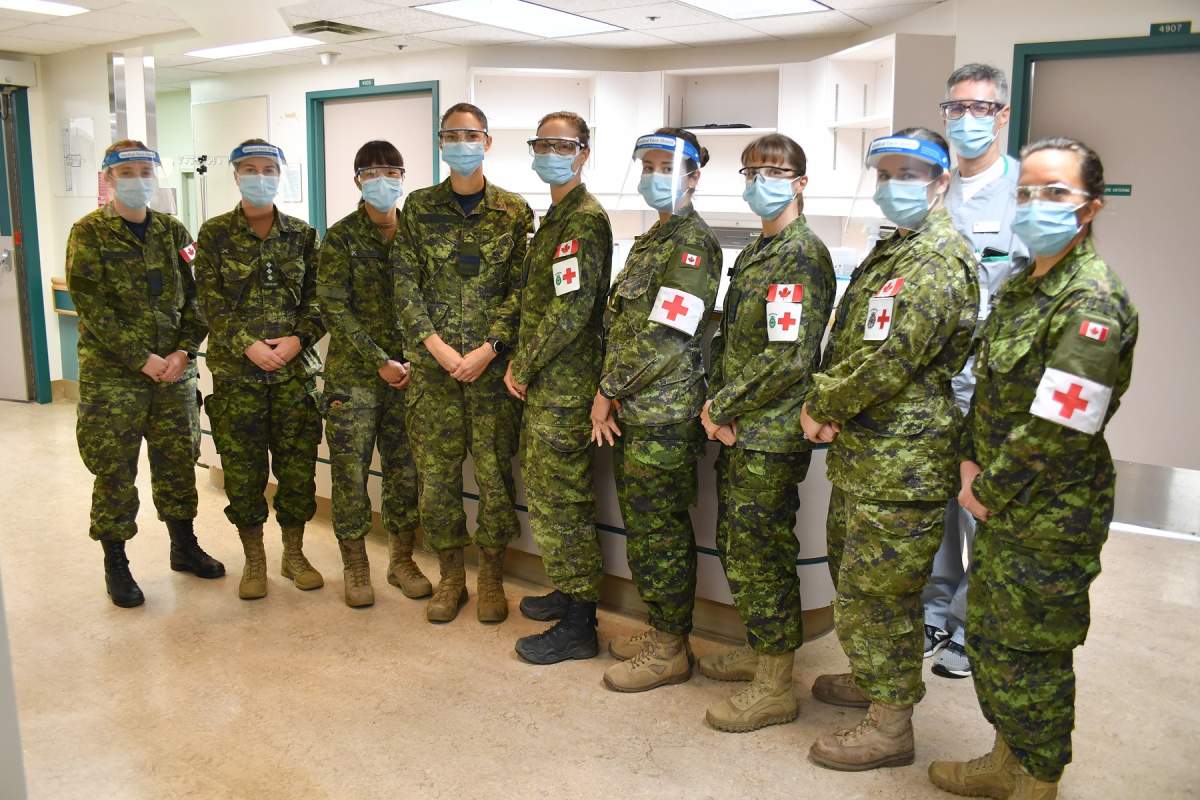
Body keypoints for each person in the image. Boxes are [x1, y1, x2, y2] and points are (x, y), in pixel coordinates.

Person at [930, 138, 1137, 800]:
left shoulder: (1091, 301)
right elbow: (984, 385)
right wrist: (966, 457)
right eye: (1026, 192)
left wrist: (986, 488)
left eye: (1056, 193)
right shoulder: (1023, 285)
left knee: (1034, 653)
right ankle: (1004, 757)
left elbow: (1062, 422)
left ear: (1090, 208)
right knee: (992, 640)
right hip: (999, 497)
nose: (1035, 204)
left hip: (1051, 512)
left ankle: (1037, 780)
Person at [799, 129, 978, 770]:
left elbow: (891, 358)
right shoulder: (899, 247)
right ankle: (875, 678)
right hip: (868, 449)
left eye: (908, 174)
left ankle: (890, 722)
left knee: (883, 592)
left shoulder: (935, 258)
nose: (892, 186)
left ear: (940, 183)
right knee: (857, 581)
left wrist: (824, 405)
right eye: (885, 174)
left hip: (902, 456)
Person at [697, 134, 835, 731]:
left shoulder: (801, 255)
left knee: (762, 551)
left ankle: (777, 682)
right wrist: (721, 406)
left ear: (800, 182)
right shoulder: (760, 248)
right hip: (740, 428)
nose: (759, 181)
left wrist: (720, 405)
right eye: (750, 170)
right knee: (740, 546)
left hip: (770, 435)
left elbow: (788, 358)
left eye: (774, 171)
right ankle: (760, 647)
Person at [66, 140, 223, 607]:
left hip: (174, 374)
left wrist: (181, 350)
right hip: (114, 378)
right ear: (109, 180)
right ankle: (117, 561)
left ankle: (184, 546)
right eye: (127, 173)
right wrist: (141, 358)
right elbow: (92, 306)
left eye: (145, 171)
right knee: (114, 470)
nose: (138, 181)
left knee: (177, 461)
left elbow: (198, 299)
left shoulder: (173, 231)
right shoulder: (89, 232)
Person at [394, 103, 534, 624]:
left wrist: (489, 349)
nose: (461, 143)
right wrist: (438, 348)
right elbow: (405, 286)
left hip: (491, 372)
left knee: (497, 476)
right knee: (437, 477)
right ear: (440, 143)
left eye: (471, 135)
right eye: (451, 135)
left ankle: (492, 577)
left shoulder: (513, 211)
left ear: (488, 142)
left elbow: (522, 291)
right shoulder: (419, 207)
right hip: (434, 371)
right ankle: (451, 576)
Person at [593, 129, 722, 692]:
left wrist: (609, 388)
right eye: (646, 164)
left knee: (661, 533)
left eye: (665, 166)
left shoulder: (692, 244)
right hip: (637, 411)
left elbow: (669, 335)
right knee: (644, 530)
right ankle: (662, 631)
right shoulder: (655, 238)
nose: (652, 175)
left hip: (662, 417)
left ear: (693, 176)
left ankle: (672, 649)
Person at [922, 63, 1030, 680]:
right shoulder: (934, 185)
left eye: (980, 108)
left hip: (991, 390)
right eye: (956, 108)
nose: (967, 120)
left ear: (1003, 115)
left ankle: (972, 624)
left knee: (981, 508)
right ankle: (937, 608)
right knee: (936, 508)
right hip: (934, 385)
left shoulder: (1024, 192)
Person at [194, 139, 324, 601]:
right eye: (249, 168)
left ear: (281, 173)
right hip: (238, 377)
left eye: (269, 167)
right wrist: (247, 345)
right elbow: (208, 300)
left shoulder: (303, 235)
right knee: (245, 473)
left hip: (294, 376)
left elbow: (319, 299)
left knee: (296, 472)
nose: (259, 175)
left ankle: (293, 554)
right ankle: (255, 559)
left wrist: (297, 340)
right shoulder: (213, 235)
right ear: (235, 175)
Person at [506, 111, 613, 664]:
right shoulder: (556, 216)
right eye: (541, 142)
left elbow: (570, 312)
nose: (550, 152)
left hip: (565, 386)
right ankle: (568, 592)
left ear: (583, 153)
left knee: (562, 500)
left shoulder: (584, 221)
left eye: (562, 144)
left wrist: (521, 365)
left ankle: (580, 623)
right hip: (550, 383)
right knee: (547, 497)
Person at [317, 140, 428, 608]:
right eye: (372, 172)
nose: (384, 180)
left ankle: (401, 560)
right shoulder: (341, 238)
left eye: (392, 171)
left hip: (410, 376)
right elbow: (334, 309)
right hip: (356, 379)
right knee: (351, 474)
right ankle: (356, 564)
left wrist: (409, 362)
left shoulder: (417, 235)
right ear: (357, 179)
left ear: (403, 177)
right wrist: (379, 360)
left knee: (405, 474)